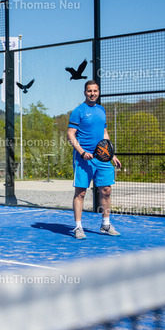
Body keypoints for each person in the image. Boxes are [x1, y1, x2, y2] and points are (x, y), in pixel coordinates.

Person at [67, 80, 122, 239]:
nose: (92, 94)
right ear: (85, 92)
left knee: (106, 190)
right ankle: (78, 227)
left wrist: (111, 154)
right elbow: (70, 134)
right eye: (89, 91)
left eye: (95, 91)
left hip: (102, 158)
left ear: (98, 92)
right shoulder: (78, 111)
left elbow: (104, 133)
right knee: (81, 193)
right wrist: (82, 152)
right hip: (83, 159)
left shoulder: (101, 110)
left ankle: (106, 224)